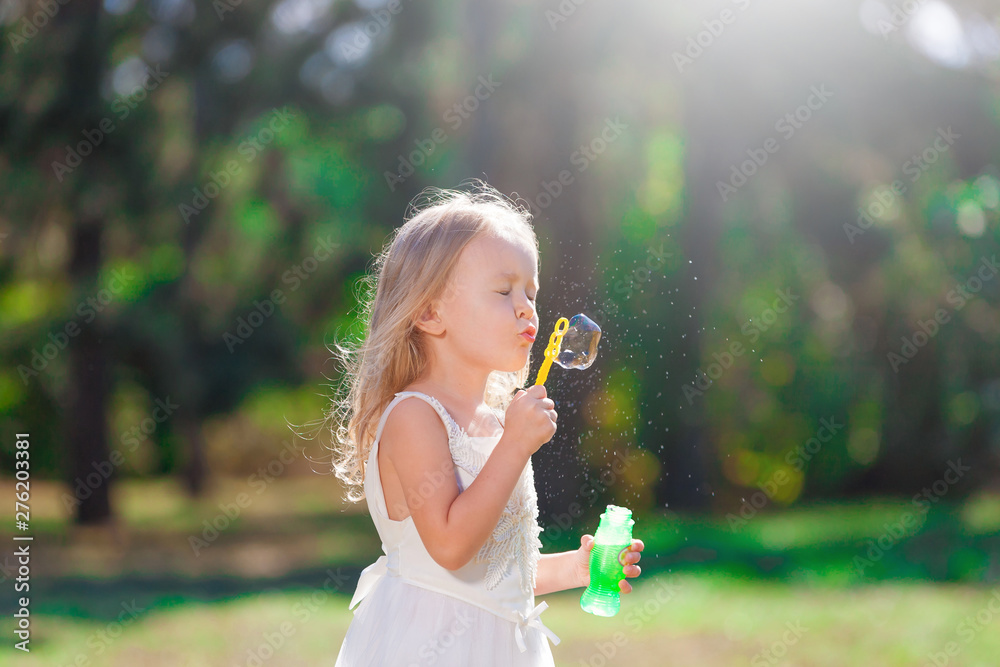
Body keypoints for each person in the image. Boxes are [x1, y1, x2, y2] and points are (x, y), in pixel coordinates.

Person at [328, 182, 644, 666]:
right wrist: (515, 446)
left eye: (531, 292)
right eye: (503, 290)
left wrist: (577, 568)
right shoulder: (414, 417)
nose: (526, 308)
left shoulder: (497, 423)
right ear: (430, 312)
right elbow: (452, 547)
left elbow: (496, 569)